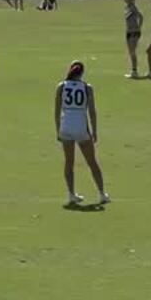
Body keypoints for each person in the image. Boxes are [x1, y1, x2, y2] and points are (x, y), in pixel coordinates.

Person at [54, 61, 110, 207]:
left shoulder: (61, 86)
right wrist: (95, 131)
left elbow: (56, 110)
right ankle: (102, 194)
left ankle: (71, 194)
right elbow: (91, 111)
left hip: (66, 125)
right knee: (92, 162)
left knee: (69, 162)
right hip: (80, 126)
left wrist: (58, 130)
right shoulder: (86, 87)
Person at [123, 0, 145, 79]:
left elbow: (141, 16)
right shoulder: (127, 7)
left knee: (133, 51)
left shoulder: (133, 7)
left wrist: (139, 27)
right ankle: (133, 70)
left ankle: (135, 71)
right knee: (130, 51)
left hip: (134, 31)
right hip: (128, 31)